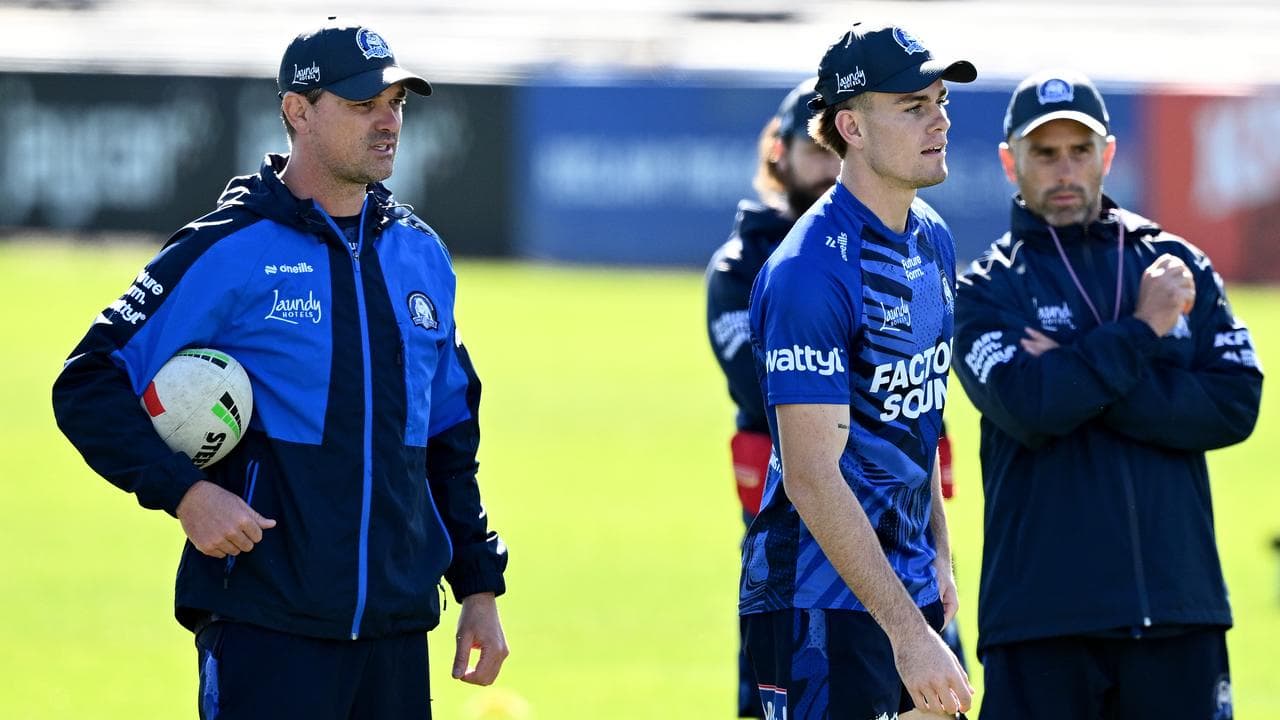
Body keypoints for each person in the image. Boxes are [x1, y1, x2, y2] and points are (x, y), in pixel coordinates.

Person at [51, 20, 509, 719]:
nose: (388, 122)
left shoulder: (421, 256)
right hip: (268, 627)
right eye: (363, 106)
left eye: (397, 103)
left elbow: (448, 434)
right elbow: (87, 382)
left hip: (395, 633)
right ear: (299, 111)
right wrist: (185, 494)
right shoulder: (230, 247)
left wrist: (478, 586)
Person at [953, 70, 1263, 719]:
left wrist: (1077, 375)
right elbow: (1032, 408)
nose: (1064, 170)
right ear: (1012, 161)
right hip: (1042, 624)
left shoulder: (1177, 265)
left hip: (1180, 614)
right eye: (1044, 153)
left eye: (1079, 150)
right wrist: (1145, 329)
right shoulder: (985, 289)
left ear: (1108, 155)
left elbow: (1235, 404)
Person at [739, 23, 977, 719]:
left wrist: (939, 551)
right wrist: (908, 634)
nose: (938, 121)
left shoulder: (932, 237)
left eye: (940, 102)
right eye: (913, 107)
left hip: (904, 588)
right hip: (818, 603)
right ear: (852, 126)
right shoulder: (808, 271)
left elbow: (916, 415)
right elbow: (813, 475)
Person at [706, 77, 840, 718]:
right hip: (783, 557)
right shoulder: (739, 269)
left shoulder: (897, 248)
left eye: (838, 150)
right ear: (778, 153)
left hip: (900, 551)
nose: (829, 168)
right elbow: (766, 388)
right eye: (815, 149)